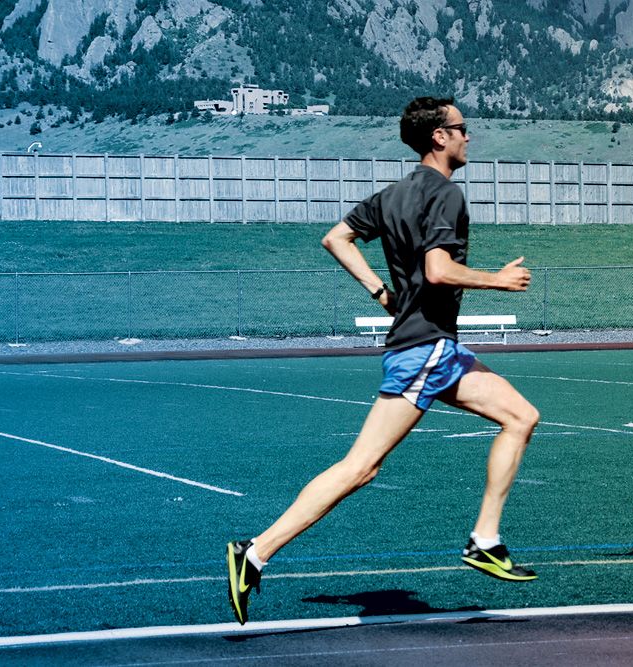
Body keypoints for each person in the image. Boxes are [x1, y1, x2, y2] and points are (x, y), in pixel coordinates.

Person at [226, 96, 541, 624]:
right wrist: (498, 279)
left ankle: (486, 539)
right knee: (361, 466)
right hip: (426, 348)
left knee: (521, 416)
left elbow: (336, 238)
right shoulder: (445, 194)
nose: (469, 137)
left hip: (434, 346)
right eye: (462, 128)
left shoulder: (393, 194)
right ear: (438, 137)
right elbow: (439, 270)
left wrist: (381, 293)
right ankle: (254, 554)